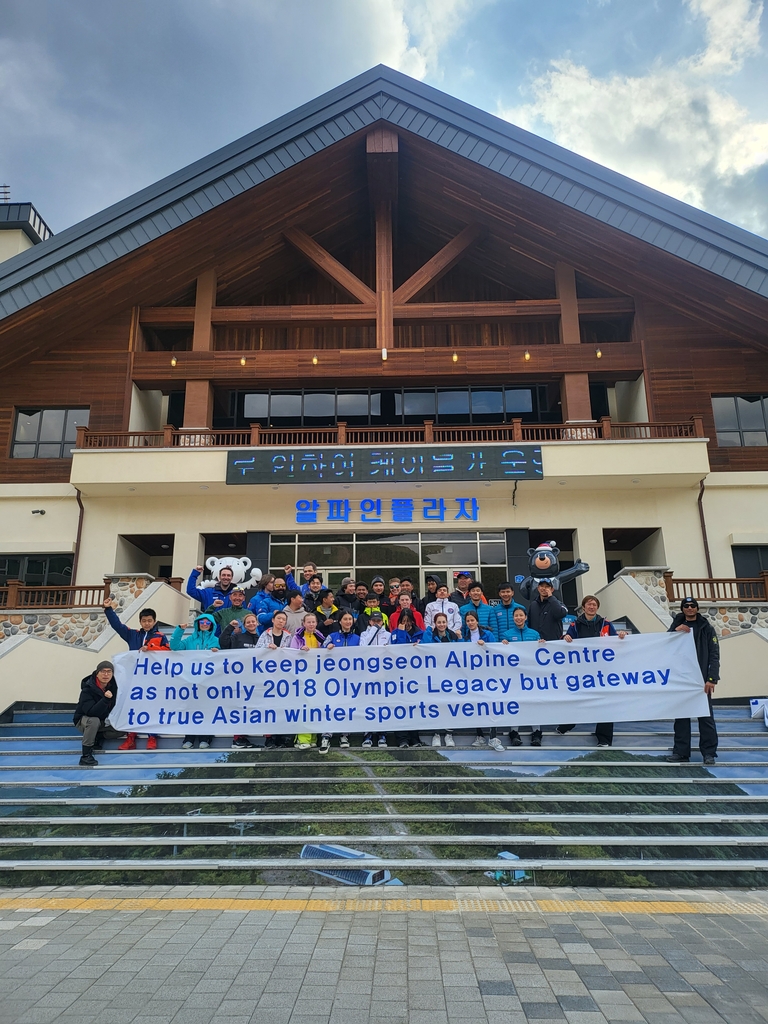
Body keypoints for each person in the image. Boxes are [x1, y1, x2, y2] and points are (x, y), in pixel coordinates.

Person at [557, 596, 627, 748]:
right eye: (589, 604)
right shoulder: (575, 624)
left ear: (597, 607)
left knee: (605, 702)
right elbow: (567, 641)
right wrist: (566, 637)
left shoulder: (606, 624)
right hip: (582, 670)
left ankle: (604, 739)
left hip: (603, 671)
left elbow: (616, 641)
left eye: (594, 604)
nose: (591, 607)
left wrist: (622, 636)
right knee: (576, 698)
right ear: (583, 607)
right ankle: (567, 724)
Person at [103, 598, 167, 752]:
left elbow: (168, 653)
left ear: (154, 621)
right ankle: (131, 736)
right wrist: (108, 610)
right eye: (144, 621)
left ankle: (152, 737)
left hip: (152, 678)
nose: (147, 623)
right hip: (133, 678)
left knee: (151, 706)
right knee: (132, 706)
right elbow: (118, 626)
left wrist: (151, 649)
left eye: (149, 621)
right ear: (140, 621)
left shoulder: (160, 636)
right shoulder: (133, 635)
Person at [666, 597, 720, 765]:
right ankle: (681, 752)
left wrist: (712, 678)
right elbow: (664, 647)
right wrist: (675, 632)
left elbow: (714, 654)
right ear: (682, 609)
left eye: (693, 606)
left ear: (697, 608)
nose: (690, 608)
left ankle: (709, 753)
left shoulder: (707, 628)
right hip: (682, 679)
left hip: (701, 680)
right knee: (681, 717)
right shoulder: (675, 627)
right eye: (686, 606)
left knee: (706, 718)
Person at [170, 613, 219, 749]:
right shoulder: (189, 640)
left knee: (205, 710)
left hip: (207, 682)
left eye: (207, 622)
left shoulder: (215, 640)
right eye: (201, 622)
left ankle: (205, 738)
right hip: (190, 681)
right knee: (190, 709)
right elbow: (174, 646)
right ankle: (189, 738)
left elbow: (220, 659)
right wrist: (179, 629)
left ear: (211, 625)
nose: (204, 624)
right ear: (197, 624)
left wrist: (217, 651)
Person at [502, 607, 544, 747]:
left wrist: (542, 645)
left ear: (525, 617)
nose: (518, 618)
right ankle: (514, 733)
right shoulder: (507, 635)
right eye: (516, 616)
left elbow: (541, 653)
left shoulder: (534, 634)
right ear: (513, 618)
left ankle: (537, 733)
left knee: (533, 703)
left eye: (521, 615)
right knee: (514, 703)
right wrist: (503, 646)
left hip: (531, 676)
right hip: (513, 675)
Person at [255, 610, 293, 750]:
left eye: (283, 619)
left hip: (283, 677)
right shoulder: (265, 634)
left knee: (281, 707)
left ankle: (280, 737)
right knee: (269, 707)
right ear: (273, 620)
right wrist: (267, 647)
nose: (281, 621)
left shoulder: (289, 636)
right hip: (267, 676)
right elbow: (257, 650)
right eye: (279, 619)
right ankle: (269, 738)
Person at [422, 612, 459, 748]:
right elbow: (425, 647)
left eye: (444, 622)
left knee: (450, 705)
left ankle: (449, 734)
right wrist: (427, 631)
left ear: (447, 623)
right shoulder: (431, 635)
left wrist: (460, 639)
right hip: (435, 676)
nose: (442, 625)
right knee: (436, 705)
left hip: (450, 677)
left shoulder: (453, 636)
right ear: (435, 623)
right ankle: (436, 733)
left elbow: (462, 652)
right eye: (439, 622)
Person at [73, 661, 119, 767]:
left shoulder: (114, 687)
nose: (106, 674)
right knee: (94, 721)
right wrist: (105, 700)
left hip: (104, 720)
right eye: (103, 671)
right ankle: (86, 756)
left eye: (109, 672)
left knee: (122, 727)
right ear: (97, 673)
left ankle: (97, 736)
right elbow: (92, 712)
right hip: (84, 720)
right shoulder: (87, 689)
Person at [290, 613, 325, 749]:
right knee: (304, 707)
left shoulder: (320, 636)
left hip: (317, 675)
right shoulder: (297, 637)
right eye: (308, 622)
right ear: (303, 623)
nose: (311, 624)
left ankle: (313, 737)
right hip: (302, 675)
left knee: (315, 707)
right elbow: (291, 654)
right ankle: (303, 739)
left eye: (313, 622)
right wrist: (300, 650)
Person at [390, 609, 424, 748]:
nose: (406, 624)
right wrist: (402, 632)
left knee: (414, 708)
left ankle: (415, 738)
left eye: (408, 621)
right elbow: (397, 649)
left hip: (415, 676)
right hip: (398, 676)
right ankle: (402, 739)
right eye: (403, 621)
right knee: (400, 707)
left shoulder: (421, 634)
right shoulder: (395, 634)